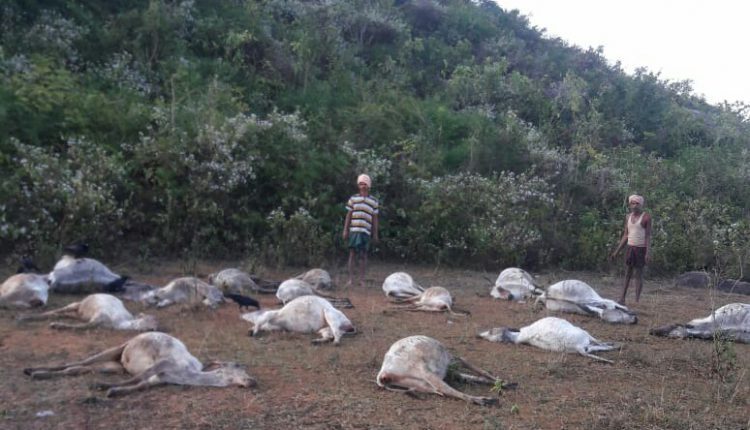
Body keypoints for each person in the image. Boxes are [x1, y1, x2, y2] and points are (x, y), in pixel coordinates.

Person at [609, 194, 652, 304]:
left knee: (639, 275)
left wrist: (647, 253)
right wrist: (617, 251)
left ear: (641, 205)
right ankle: (622, 298)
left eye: (637, 203)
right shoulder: (628, 217)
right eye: (632, 203)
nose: (634, 205)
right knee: (627, 273)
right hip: (630, 248)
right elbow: (625, 235)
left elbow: (647, 236)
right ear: (630, 205)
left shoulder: (646, 217)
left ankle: (637, 301)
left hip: (640, 249)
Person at [342, 174, 379, 288]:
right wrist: (345, 230)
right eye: (361, 184)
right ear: (358, 185)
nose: (363, 186)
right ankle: (351, 279)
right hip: (354, 230)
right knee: (352, 254)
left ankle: (362, 280)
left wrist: (375, 234)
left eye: (365, 184)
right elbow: (348, 215)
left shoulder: (373, 201)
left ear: (369, 186)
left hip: (365, 231)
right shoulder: (353, 199)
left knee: (363, 255)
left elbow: (375, 219)